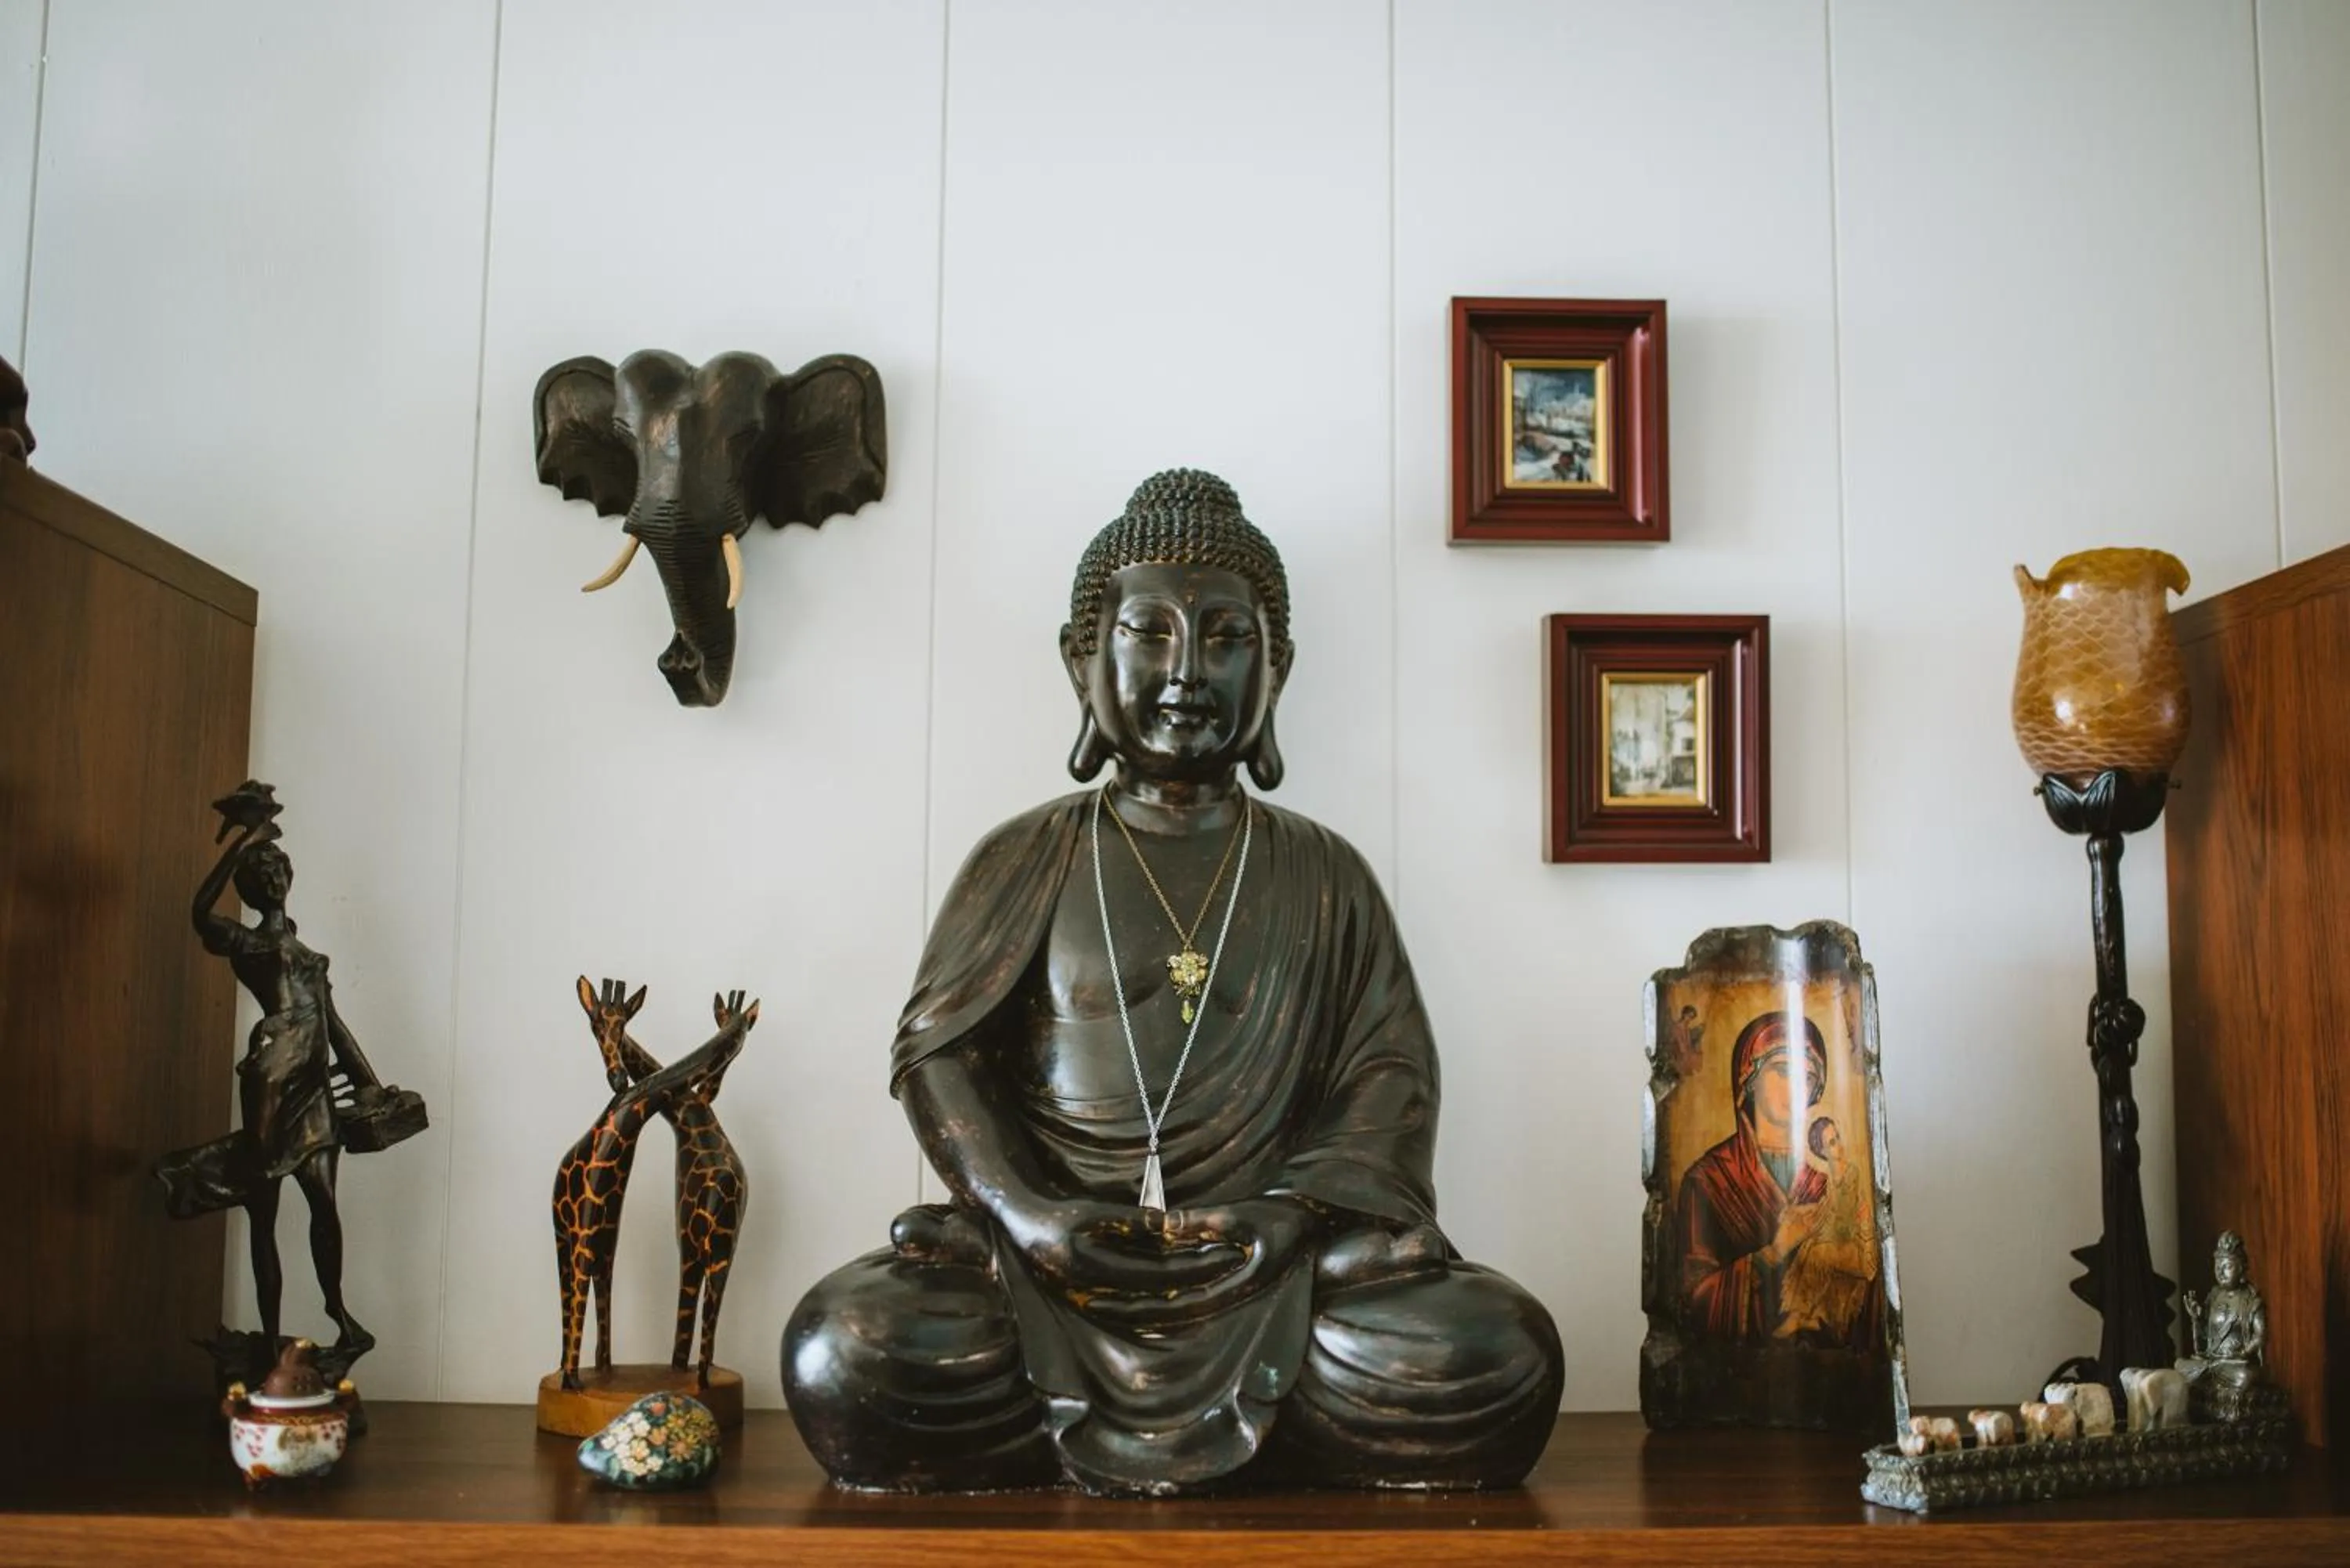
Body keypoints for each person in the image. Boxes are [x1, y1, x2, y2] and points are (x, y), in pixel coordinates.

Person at [783, 470, 1563, 1494]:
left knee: (1497, 1348)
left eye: (1228, 638)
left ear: (1276, 668)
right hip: (1052, 1266)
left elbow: (1391, 1081)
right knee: (847, 1344)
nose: (1188, 668)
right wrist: (1023, 1213)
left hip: (1273, 1269)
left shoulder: (1325, 875)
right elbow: (942, 1058)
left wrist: (1287, 1217)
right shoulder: (1026, 858)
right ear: (1083, 661)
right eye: (1150, 632)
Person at [1671, 1012, 1830, 1345]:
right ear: (1749, 1077)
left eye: (1810, 1077)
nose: (1798, 1088)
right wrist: (1774, 1252)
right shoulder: (1708, 1181)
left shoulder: (1822, 1187)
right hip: (1726, 1379)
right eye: (1784, 1070)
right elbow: (1690, 1303)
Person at [1775, 1116, 1878, 1345]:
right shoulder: (1833, 1179)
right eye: (1832, 1143)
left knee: (1817, 1252)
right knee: (1809, 1248)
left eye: (1837, 1138)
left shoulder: (1850, 1173)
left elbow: (1843, 1226)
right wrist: (1798, 1212)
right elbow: (1827, 1209)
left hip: (1859, 1249)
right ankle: (1810, 1317)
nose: (1839, 1145)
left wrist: (1818, 1227)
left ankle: (1798, 1314)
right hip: (1845, 1244)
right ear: (1821, 1151)